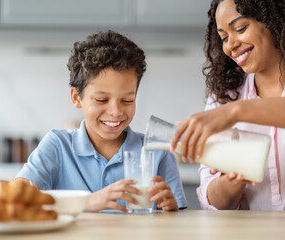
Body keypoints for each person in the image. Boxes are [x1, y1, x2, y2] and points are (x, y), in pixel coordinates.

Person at [16, 30, 187, 212]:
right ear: (76, 97)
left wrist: (172, 211)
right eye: (101, 100)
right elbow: (18, 199)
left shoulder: (157, 152)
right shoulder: (58, 146)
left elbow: (178, 225)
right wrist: (86, 202)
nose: (116, 112)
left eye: (128, 100)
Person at [171, 0, 285, 210]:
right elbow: (211, 200)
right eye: (224, 37)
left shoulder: (231, 109)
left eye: (240, 28)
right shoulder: (226, 95)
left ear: (275, 21)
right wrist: (230, 184)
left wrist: (237, 112)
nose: (230, 45)